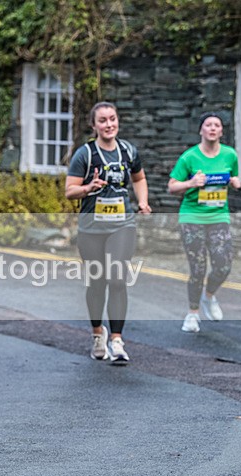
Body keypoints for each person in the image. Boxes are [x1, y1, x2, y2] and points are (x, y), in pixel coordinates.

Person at [65, 102, 151, 365]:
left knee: (116, 279)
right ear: (94, 126)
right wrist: (89, 187)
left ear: (118, 121)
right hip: (91, 229)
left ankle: (117, 340)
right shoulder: (85, 154)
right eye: (102, 120)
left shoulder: (128, 151)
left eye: (112, 119)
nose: (109, 124)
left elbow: (138, 178)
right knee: (97, 283)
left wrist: (143, 202)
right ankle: (97, 334)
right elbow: (70, 191)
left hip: (122, 225)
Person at [168, 112, 241, 333]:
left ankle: (208, 296)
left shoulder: (229, 155)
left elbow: (235, 176)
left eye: (216, 125)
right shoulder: (189, 157)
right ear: (201, 130)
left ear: (221, 131)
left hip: (218, 217)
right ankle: (192, 314)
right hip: (192, 217)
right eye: (207, 124)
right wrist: (191, 182)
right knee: (198, 268)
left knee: (223, 265)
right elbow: (172, 186)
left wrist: (237, 181)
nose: (212, 128)